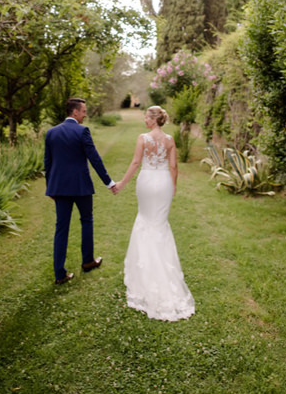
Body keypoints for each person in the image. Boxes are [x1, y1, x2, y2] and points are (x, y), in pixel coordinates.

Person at [115, 106, 195, 321]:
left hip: (147, 181)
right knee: (159, 224)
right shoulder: (169, 139)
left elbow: (135, 163)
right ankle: (162, 271)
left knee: (145, 221)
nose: (144, 119)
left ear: (152, 119)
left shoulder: (143, 138)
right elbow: (174, 166)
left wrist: (122, 183)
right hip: (164, 183)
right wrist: (174, 186)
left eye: (146, 116)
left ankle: (146, 274)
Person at [44, 97, 117, 285]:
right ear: (75, 112)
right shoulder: (82, 131)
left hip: (59, 188)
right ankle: (87, 261)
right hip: (81, 187)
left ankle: (59, 274)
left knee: (61, 228)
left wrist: (49, 187)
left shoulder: (51, 133)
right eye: (83, 111)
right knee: (86, 221)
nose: (85, 114)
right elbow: (94, 159)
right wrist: (108, 182)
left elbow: (48, 163)